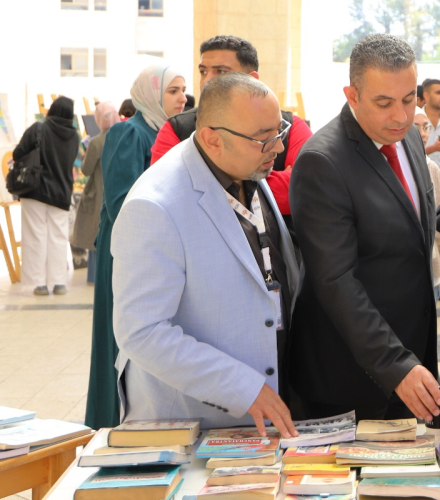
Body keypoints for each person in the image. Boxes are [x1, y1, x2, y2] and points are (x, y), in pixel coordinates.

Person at [112, 73, 301, 435]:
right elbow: (142, 332)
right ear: (212, 139)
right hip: (190, 421)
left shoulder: (246, 167)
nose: (278, 148)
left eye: (280, 131)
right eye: (264, 138)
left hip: (259, 421)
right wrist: (243, 388)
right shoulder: (155, 206)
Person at [288, 34, 440, 422]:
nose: (401, 116)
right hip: (349, 379)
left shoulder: (408, 137)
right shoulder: (322, 161)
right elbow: (336, 281)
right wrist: (395, 365)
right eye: (384, 103)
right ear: (352, 96)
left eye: (409, 99)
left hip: (412, 364)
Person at [85, 63, 187, 429]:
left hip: (154, 250)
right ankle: (111, 421)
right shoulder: (130, 132)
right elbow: (120, 201)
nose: (182, 98)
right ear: (151, 94)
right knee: (121, 341)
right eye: (172, 91)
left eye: (183, 90)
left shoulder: (169, 133)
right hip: (127, 250)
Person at [149, 35, 312, 222]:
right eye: (203, 72)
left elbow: (309, 189)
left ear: (252, 79)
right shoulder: (176, 128)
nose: (207, 81)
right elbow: (173, 195)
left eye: (221, 72)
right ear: (211, 139)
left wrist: (216, 183)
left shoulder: (292, 125)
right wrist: (277, 180)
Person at [12, 96, 80, 296]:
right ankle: (59, 282)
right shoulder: (75, 136)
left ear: (52, 109)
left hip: (36, 190)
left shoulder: (39, 129)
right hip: (62, 192)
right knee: (58, 237)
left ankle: (39, 284)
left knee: (36, 236)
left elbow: (17, 153)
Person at [71, 101, 119, 284]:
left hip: (98, 194)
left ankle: (94, 277)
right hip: (118, 193)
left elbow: (86, 169)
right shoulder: (123, 138)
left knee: (94, 237)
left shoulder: (96, 142)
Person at [414, 106, 440, 301]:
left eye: (425, 127)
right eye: (416, 127)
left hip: (428, 258)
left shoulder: (431, 167)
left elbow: (438, 214)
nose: (423, 133)